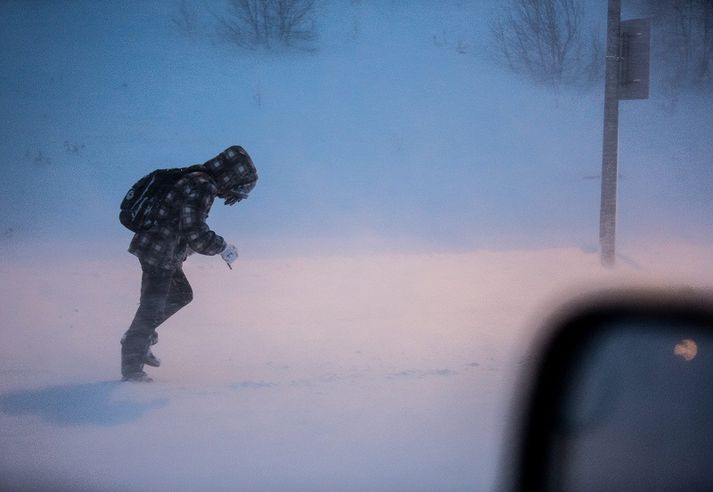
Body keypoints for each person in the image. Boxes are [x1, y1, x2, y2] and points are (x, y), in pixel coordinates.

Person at [121, 145, 258, 382]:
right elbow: (194, 231)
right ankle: (132, 368)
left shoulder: (198, 179)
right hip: (159, 252)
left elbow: (180, 222)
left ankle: (138, 337)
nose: (231, 197)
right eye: (237, 191)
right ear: (232, 178)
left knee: (181, 294)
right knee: (151, 306)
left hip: (163, 250)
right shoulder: (202, 185)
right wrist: (222, 247)